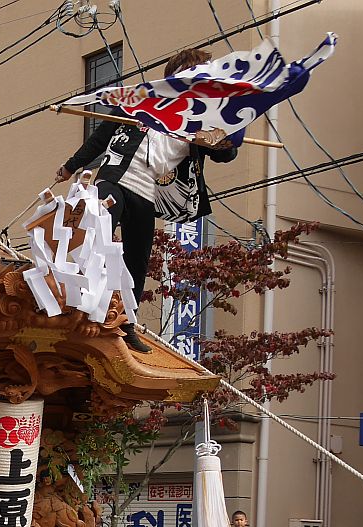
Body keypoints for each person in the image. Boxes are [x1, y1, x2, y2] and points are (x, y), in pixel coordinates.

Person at [56, 47, 237, 355]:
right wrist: (71, 166)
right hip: (116, 177)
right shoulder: (142, 101)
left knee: (137, 259)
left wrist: (219, 139)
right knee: (98, 226)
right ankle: (77, 297)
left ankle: (127, 322)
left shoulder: (200, 119)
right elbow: (101, 136)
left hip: (148, 191)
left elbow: (227, 154)